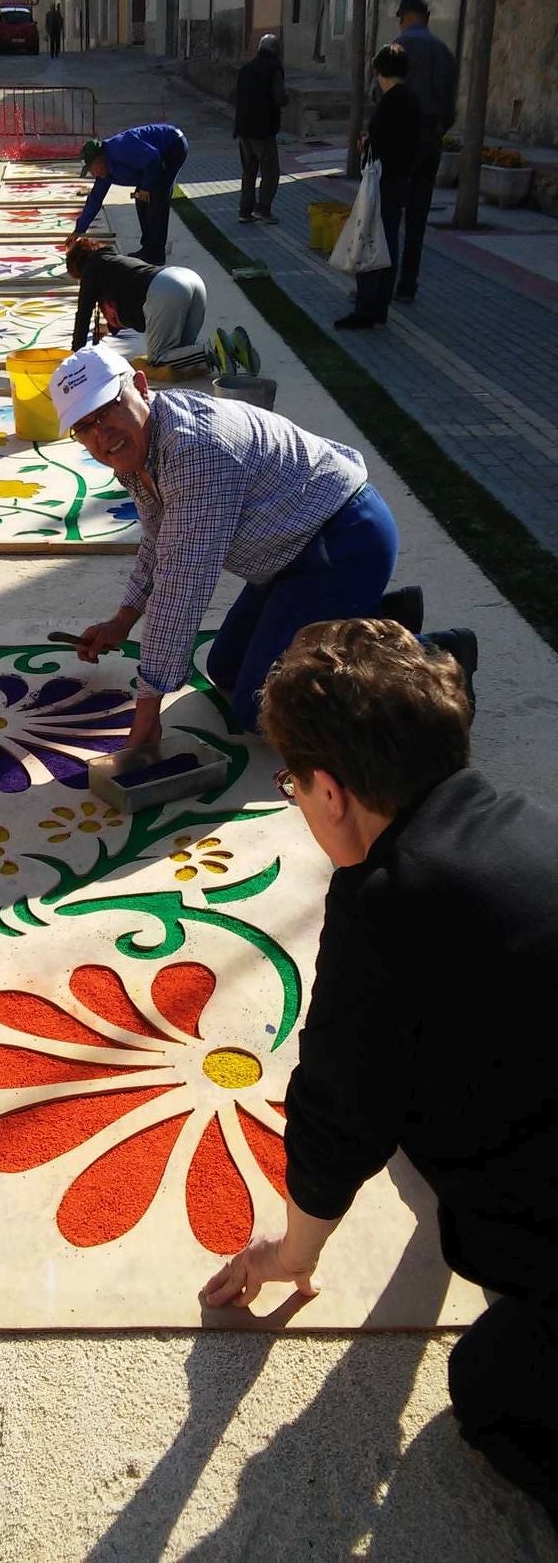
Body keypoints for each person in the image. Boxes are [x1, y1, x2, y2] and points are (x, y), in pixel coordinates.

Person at [203, 617, 558, 1525]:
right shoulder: (525, 828)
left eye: (289, 784)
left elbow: (336, 1115)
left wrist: (289, 1253)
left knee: (491, 1395)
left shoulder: (389, 906)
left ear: (329, 790)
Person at [47, 344, 463, 744]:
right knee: (225, 668)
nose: (102, 434)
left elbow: (182, 587)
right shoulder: (140, 447)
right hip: (287, 555)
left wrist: (146, 711)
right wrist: (122, 621)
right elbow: (160, 539)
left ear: (139, 385)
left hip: (344, 543)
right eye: (84, 426)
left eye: (108, 409)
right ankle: (377, 615)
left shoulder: (194, 450)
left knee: (264, 710)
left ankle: (430, 656)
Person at [334, 44, 421, 331]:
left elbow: (381, 142)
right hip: (400, 180)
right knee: (389, 243)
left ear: (379, 71)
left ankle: (366, 308)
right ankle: (379, 305)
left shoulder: (390, 103)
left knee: (369, 239)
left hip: (382, 182)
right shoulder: (411, 100)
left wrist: (365, 144)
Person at [394, 0, 457, 302]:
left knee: (388, 212)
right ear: (427, 17)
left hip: (401, 139)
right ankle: (408, 285)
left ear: (404, 18)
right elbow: (450, 108)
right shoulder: (444, 52)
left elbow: (380, 97)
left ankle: (380, 285)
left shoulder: (397, 48)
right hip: (431, 139)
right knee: (417, 216)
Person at [66, 237, 209, 371]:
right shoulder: (115, 261)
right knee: (184, 353)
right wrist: (108, 327)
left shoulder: (91, 268)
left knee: (159, 359)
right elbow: (129, 302)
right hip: (191, 278)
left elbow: (83, 315)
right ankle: (228, 348)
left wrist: (75, 358)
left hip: (166, 289)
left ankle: (212, 350)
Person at [73, 125, 189, 265]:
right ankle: (147, 248)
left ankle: (156, 254)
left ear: (100, 158)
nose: (94, 174)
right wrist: (78, 230)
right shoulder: (105, 172)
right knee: (141, 201)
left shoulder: (119, 148)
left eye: (92, 169)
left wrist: (146, 188)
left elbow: (152, 157)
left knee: (157, 198)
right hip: (151, 164)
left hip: (172, 146)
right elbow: (95, 199)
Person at [233, 32, 288, 225]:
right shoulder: (274, 68)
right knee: (270, 171)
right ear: (276, 50)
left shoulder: (246, 68)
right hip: (263, 128)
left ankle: (245, 210)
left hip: (243, 127)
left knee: (248, 171)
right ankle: (263, 209)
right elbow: (280, 97)